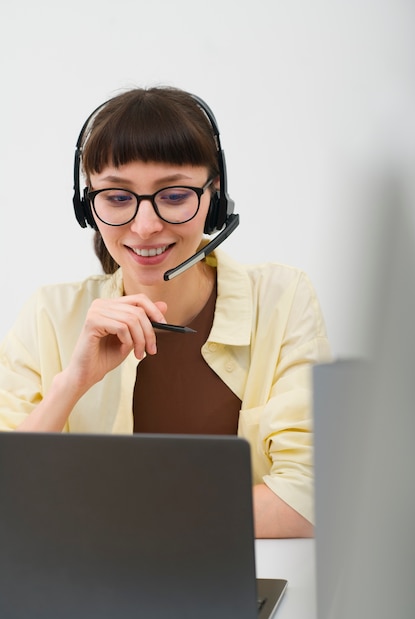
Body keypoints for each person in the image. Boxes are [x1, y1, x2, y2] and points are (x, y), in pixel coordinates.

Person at [0, 86, 331, 538]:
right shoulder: (50, 313)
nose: (145, 226)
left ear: (214, 197)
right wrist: (71, 384)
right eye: (117, 198)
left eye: (173, 195)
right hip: (91, 589)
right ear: (87, 206)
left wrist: (129, 514)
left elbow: (309, 499)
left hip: (230, 582)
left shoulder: (281, 298)